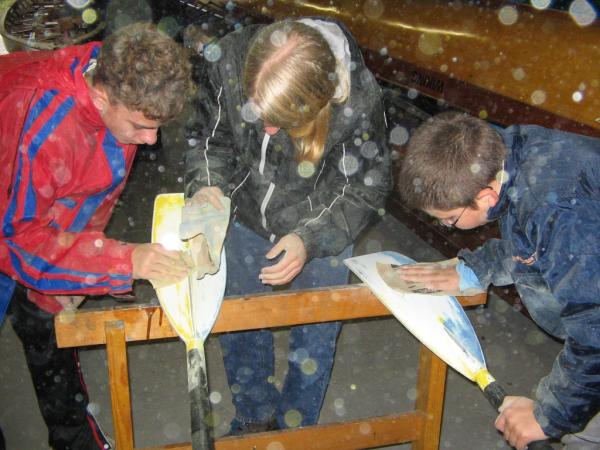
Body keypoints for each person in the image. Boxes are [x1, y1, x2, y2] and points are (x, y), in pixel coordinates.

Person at [182, 18, 391, 433]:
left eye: (279, 120)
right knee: (240, 323)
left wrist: (310, 239)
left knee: (314, 335)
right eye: (257, 112)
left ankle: (295, 430)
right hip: (244, 214)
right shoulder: (229, 59)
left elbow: (364, 189)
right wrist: (206, 187)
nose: (267, 130)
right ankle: (252, 417)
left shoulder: (358, 98)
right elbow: (209, 138)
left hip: (324, 221)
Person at [0, 23, 193, 449]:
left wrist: (78, 272)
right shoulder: (43, 124)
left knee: (48, 326)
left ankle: (75, 440)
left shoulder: (122, 78)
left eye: (157, 127)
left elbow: (90, 192)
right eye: (141, 127)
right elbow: (16, 238)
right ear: (101, 98)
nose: (150, 141)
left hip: (28, 209)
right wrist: (122, 261)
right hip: (9, 213)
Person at [396, 111, 600, 450]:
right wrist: (475, 269)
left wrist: (549, 416)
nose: (446, 226)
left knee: (580, 434)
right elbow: (532, 240)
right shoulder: (505, 154)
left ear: (486, 197)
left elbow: (595, 329)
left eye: (449, 219)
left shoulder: (559, 208)